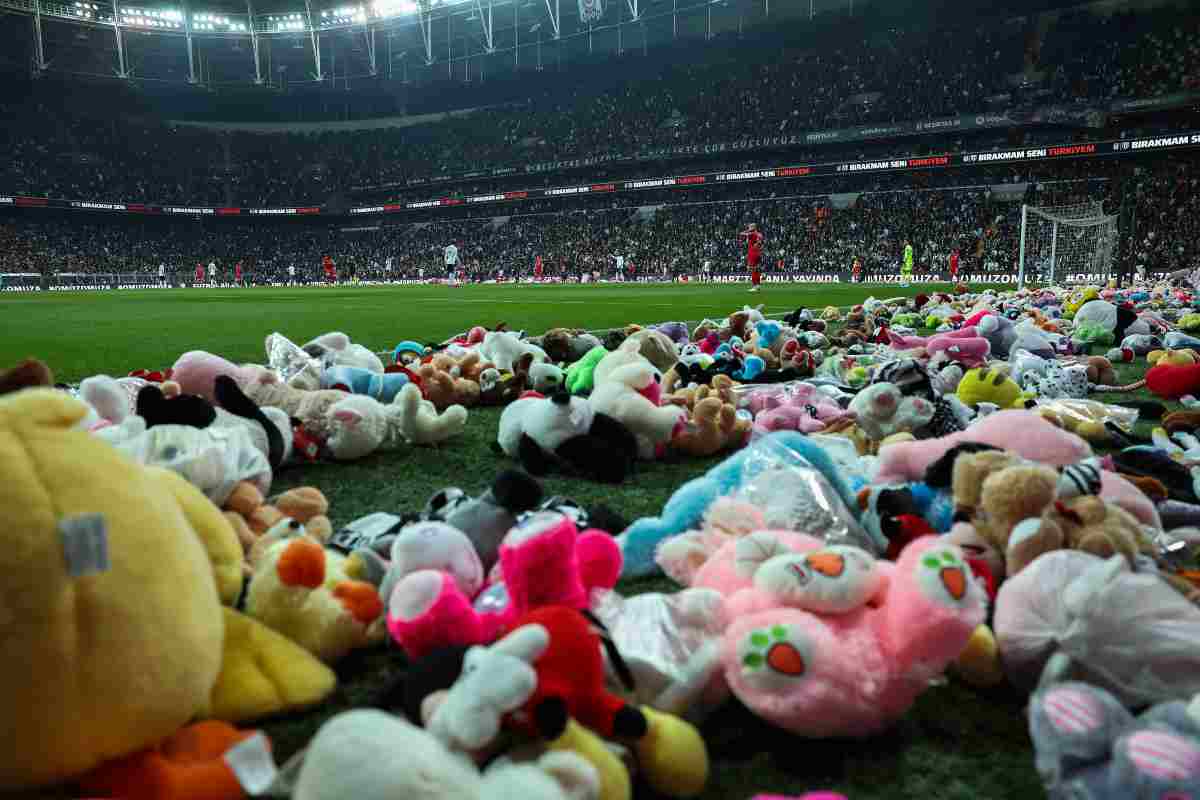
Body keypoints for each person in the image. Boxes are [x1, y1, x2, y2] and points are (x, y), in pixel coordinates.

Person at [739, 223, 764, 293]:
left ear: (753, 227)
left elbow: (741, 234)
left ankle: (754, 286)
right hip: (758, 253)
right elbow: (760, 242)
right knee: (756, 269)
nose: (748, 228)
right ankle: (758, 285)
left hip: (753, 253)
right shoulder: (759, 234)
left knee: (752, 269)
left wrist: (747, 232)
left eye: (749, 227)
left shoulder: (752, 234)